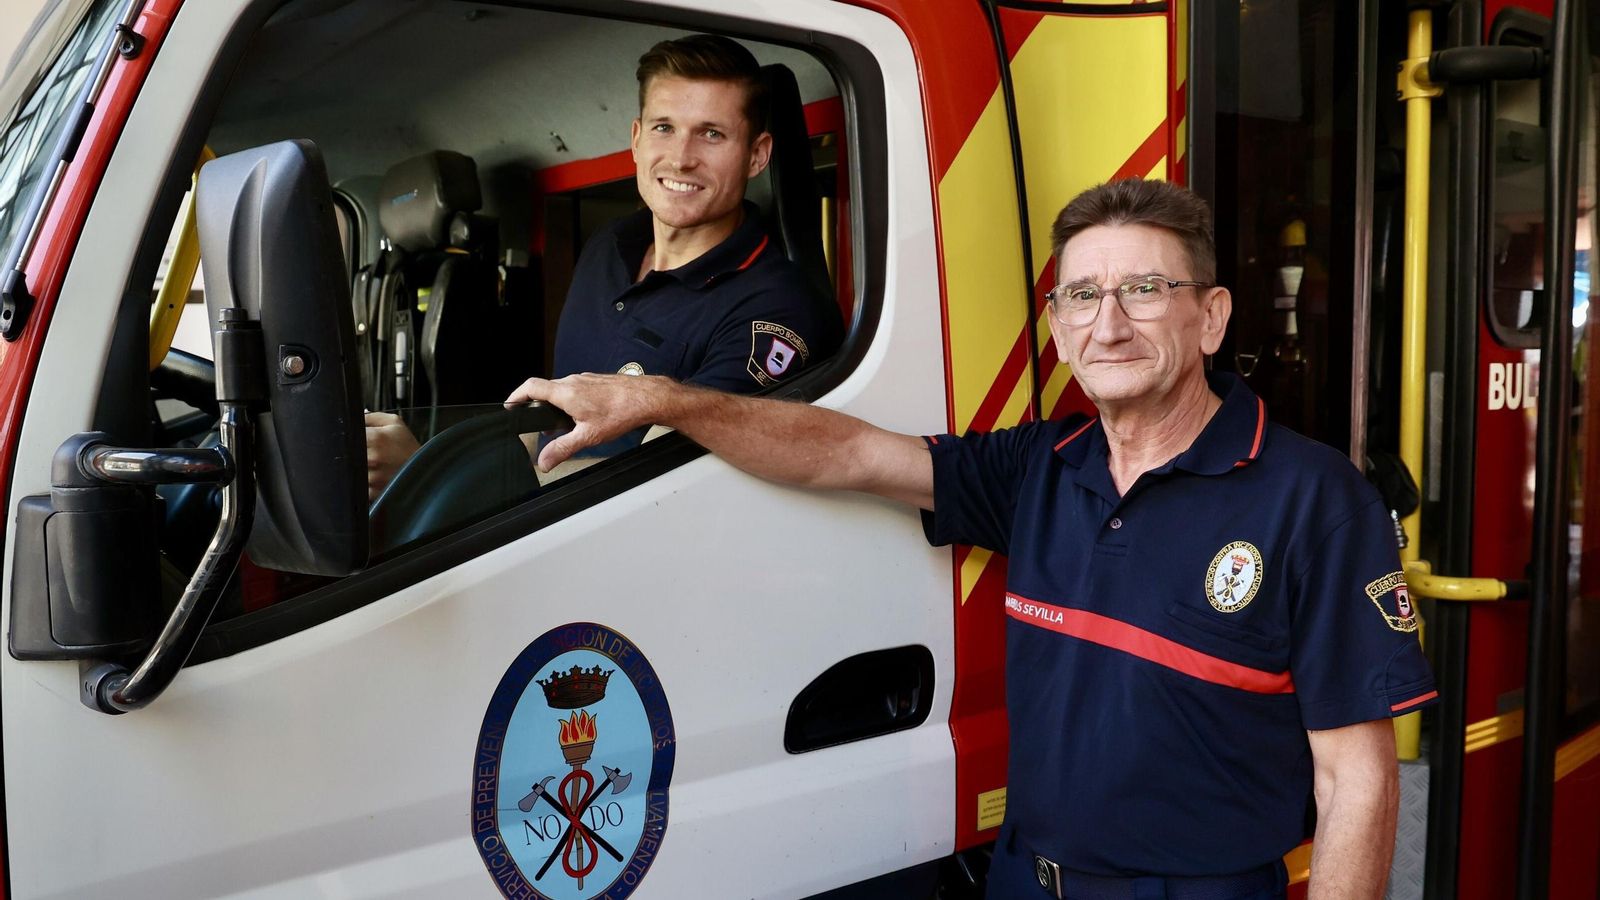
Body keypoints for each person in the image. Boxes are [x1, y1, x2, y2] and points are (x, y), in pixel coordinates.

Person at [508, 178, 1437, 899]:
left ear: (1212, 316)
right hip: (1023, 878)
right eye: (1082, 296)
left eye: (1146, 290)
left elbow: (1356, 780)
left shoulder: (1314, 500)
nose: (1108, 323)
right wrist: (664, 401)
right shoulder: (1044, 463)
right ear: (1059, 328)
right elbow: (849, 455)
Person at [365, 33, 841, 498]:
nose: (680, 158)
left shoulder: (776, 311)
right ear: (636, 139)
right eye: (663, 127)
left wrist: (427, 478)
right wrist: (433, 453)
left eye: (711, 134)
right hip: (538, 530)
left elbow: (659, 484)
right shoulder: (609, 245)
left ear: (756, 155)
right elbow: (554, 433)